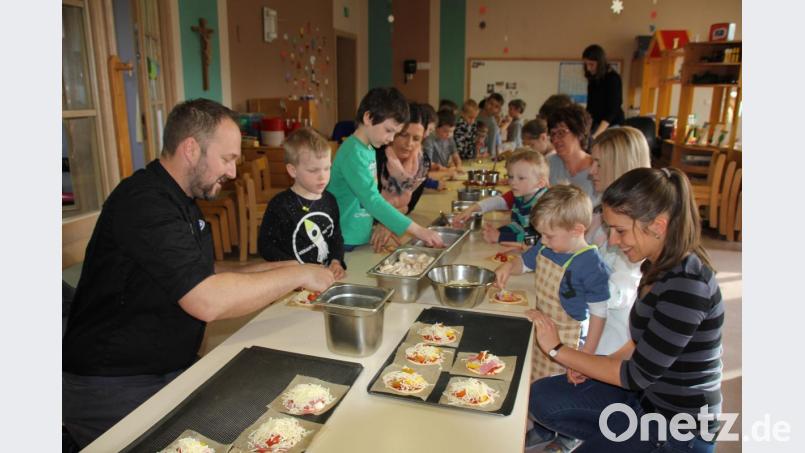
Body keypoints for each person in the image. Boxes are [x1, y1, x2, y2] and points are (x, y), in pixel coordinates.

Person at [62, 99, 336, 449]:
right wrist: (297, 276)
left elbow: (204, 272)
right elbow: (205, 299)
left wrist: (285, 267)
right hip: (112, 385)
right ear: (191, 149)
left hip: (165, 368)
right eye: (227, 159)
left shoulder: (181, 199)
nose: (234, 172)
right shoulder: (145, 204)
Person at [525, 167, 722, 452]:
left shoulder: (687, 286)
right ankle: (611, 438)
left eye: (619, 230)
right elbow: (640, 341)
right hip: (644, 399)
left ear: (658, 225)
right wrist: (586, 364)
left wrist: (558, 350)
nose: (613, 241)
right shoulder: (656, 265)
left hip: (677, 426)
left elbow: (635, 375)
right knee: (544, 395)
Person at [326, 87, 444, 250]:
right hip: (343, 239)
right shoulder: (352, 153)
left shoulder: (368, 148)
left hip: (359, 236)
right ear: (368, 117)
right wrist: (419, 231)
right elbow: (372, 200)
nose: (390, 139)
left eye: (395, 133)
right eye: (389, 130)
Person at [587, 127, 652, 356]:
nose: (591, 170)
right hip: (597, 329)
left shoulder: (636, 231)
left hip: (612, 346)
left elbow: (617, 294)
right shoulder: (603, 211)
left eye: (599, 164)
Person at [257, 127, 346, 280]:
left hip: (322, 277)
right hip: (290, 279)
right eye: (313, 170)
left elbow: (336, 238)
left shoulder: (330, 200)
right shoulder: (280, 205)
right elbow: (266, 246)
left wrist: (336, 261)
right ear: (293, 171)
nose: (322, 177)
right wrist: (296, 268)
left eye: (327, 168)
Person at [370, 103, 433, 252]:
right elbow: (366, 204)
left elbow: (409, 206)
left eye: (416, 138)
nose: (409, 144)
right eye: (403, 135)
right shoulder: (375, 156)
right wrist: (388, 220)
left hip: (388, 230)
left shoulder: (423, 164)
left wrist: (388, 221)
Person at [453, 149, 549, 244]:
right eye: (511, 177)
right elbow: (517, 226)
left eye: (521, 178)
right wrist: (498, 232)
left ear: (540, 183)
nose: (513, 182)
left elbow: (535, 238)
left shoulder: (543, 206)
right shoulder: (522, 193)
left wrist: (500, 236)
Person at [547, 103, 597, 200]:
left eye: (561, 133)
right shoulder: (549, 163)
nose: (555, 140)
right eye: (553, 134)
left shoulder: (596, 169)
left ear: (579, 133)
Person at [583, 44, 625, 139]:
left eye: (591, 64)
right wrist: (586, 130)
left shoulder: (613, 78)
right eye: (586, 64)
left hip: (613, 125)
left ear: (600, 63)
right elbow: (590, 108)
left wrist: (597, 134)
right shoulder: (593, 79)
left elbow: (612, 110)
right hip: (598, 124)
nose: (588, 68)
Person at [477, 92, 509, 159]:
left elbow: (491, 149)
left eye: (496, 107)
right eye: (491, 103)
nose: (492, 108)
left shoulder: (493, 126)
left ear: (499, 110)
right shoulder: (474, 113)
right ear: (486, 102)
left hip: (480, 156)